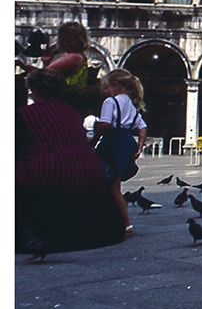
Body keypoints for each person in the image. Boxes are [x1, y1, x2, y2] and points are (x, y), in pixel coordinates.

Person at [16, 70, 128, 257]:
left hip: (48, 175)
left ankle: (24, 231)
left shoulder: (25, 115)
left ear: (34, 91)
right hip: (90, 175)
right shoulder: (72, 113)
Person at [93, 69, 147, 237]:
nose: (106, 91)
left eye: (107, 87)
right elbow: (142, 127)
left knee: (111, 186)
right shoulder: (130, 104)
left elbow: (105, 125)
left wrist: (93, 140)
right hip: (126, 143)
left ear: (114, 85)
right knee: (113, 185)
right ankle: (118, 221)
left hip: (112, 144)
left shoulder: (111, 102)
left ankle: (125, 224)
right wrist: (139, 147)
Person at [17, 21, 93, 117]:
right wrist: (46, 62)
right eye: (63, 40)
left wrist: (22, 65)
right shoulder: (81, 57)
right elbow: (49, 76)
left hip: (66, 102)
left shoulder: (74, 57)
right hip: (73, 103)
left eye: (69, 40)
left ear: (79, 40)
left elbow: (42, 75)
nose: (65, 43)